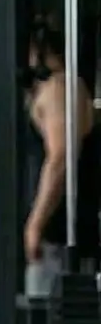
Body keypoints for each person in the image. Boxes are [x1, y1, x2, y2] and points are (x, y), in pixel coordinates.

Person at [23, 22, 100, 298]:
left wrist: (36, 223)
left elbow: (60, 159)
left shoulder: (60, 89)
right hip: (57, 235)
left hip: (56, 238)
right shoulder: (63, 87)